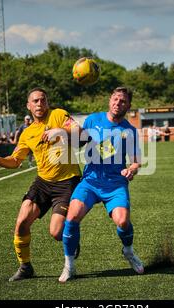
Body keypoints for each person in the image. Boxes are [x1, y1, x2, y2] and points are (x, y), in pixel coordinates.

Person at [0, 88, 82, 282]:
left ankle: (72, 237)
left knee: (56, 232)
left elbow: (80, 133)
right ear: (28, 106)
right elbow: (15, 160)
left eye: (42, 100)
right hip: (43, 182)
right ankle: (26, 267)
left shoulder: (59, 115)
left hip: (67, 182)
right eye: (35, 101)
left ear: (47, 102)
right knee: (21, 223)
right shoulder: (27, 133)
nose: (39, 104)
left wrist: (60, 131)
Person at [58, 86, 144, 283]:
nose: (117, 103)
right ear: (109, 100)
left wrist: (132, 169)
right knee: (71, 217)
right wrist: (70, 130)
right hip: (90, 181)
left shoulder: (129, 131)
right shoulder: (93, 120)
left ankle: (128, 251)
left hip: (115, 184)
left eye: (122, 101)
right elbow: (78, 142)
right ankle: (69, 266)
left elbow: (137, 160)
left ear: (128, 105)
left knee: (122, 221)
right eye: (115, 99)